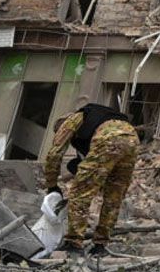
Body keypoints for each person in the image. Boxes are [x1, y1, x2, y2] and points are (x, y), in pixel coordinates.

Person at [42, 102, 139, 256]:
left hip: (108, 138)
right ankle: (100, 245)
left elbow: (54, 154)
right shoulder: (96, 120)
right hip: (132, 139)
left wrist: (52, 185)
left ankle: (74, 243)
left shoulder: (73, 119)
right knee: (113, 197)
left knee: (80, 193)